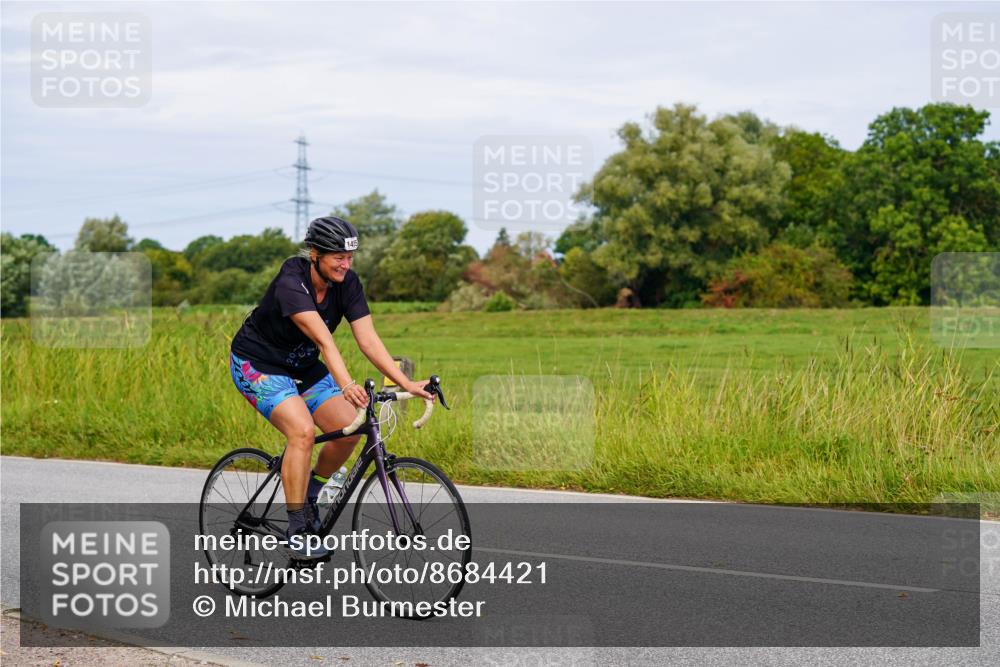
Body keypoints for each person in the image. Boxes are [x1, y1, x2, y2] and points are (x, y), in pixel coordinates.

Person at [229, 216, 434, 560]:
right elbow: (325, 341)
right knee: (302, 432)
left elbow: (368, 339)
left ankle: (310, 495)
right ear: (315, 254)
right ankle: (297, 530)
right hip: (259, 365)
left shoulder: (347, 284)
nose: (345, 264)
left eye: (350, 257)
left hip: (303, 366)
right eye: (338, 257)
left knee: (348, 429)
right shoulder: (291, 280)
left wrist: (407, 383)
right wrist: (347, 384)